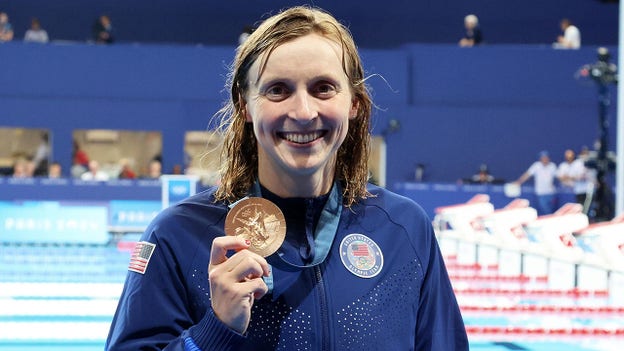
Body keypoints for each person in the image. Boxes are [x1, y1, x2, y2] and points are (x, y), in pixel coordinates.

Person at [106, 6, 468, 351]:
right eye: (278, 90)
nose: (303, 112)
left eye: (323, 88)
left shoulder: (404, 230)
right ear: (245, 105)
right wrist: (214, 331)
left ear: (354, 103)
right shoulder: (179, 235)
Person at [514, 150, 558, 215]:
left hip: (551, 193)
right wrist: (518, 182)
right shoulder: (536, 166)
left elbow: (559, 176)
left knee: (552, 211)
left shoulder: (552, 166)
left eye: (546, 157)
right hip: (541, 193)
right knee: (546, 211)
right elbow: (527, 174)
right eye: (543, 158)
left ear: (549, 158)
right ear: (540, 159)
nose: (545, 159)